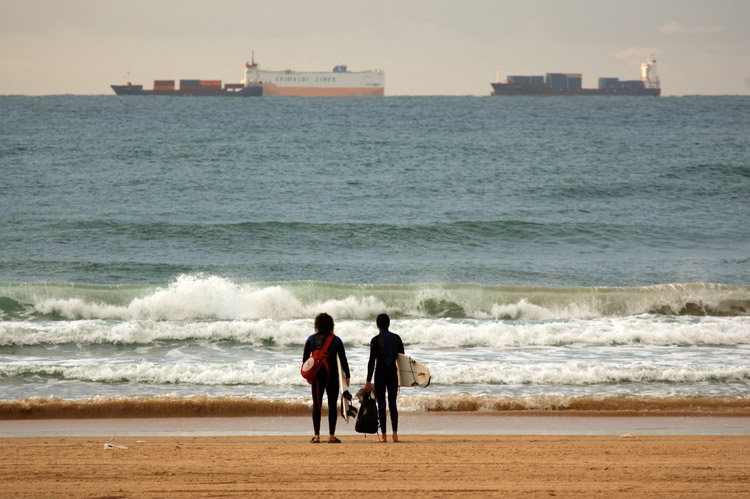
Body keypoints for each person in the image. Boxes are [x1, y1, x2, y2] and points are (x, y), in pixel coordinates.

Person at [302, 312, 350, 443]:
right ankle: (331, 436)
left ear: (316, 325)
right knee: (332, 405)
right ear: (331, 325)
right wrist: (347, 375)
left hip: (317, 377)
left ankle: (316, 436)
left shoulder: (310, 340)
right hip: (332, 376)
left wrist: (308, 376)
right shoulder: (336, 340)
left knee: (317, 405)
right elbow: (343, 359)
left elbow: (305, 361)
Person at [364, 313, 404, 442]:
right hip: (393, 373)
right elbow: (402, 359)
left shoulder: (375, 340)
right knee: (392, 403)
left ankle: (384, 436)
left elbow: (371, 362)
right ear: (389, 324)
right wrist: (402, 379)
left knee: (381, 403)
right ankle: (395, 434)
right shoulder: (397, 339)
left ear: (377, 325)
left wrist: (368, 381)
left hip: (380, 374)